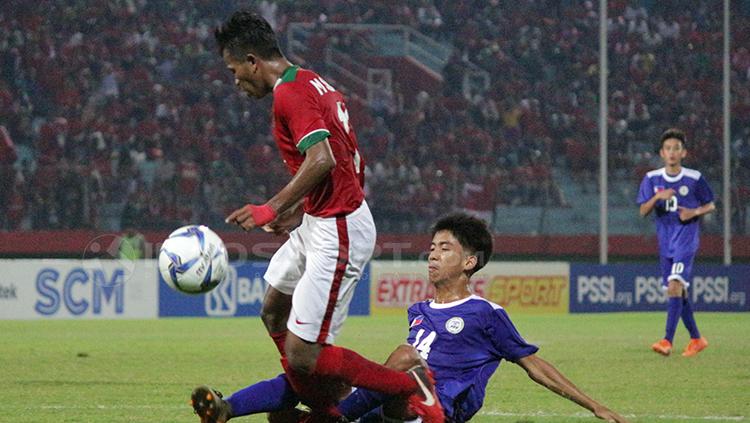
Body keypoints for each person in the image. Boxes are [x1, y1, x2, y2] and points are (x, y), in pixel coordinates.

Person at [191, 10, 442, 423]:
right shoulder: (310, 81)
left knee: (305, 355)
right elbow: (341, 158)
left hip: (338, 226)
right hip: (321, 218)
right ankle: (321, 410)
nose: (236, 81)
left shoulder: (290, 94)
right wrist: (296, 212)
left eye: (234, 70)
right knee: (273, 308)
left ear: (253, 60)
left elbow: (322, 159)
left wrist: (272, 207)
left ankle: (407, 386)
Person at [193, 214, 628, 423]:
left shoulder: (486, 314)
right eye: (433, 247)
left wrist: (594, 405)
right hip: (393, 403)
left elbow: (535, 366)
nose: (433, 254)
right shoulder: (419, 311)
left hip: (440, 408)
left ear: (471, 262)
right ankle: (230, 407)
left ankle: (337, 415)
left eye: (445, 248)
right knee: (289, 406)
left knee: (403, 358)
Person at [637, 128, 715, 357]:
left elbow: (710, 204)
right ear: (662, 153)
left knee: (674, 286)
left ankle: (666, 340)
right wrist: (657, 197)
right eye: (668, 148)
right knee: (678, 292)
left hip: (686, 239)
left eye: (676, 148)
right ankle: (696, 338)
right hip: (665, 241)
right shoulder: (652, 179)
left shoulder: (694, 178)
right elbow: (643, 210)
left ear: (684, 153)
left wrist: (694, 212)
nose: (672, 152)